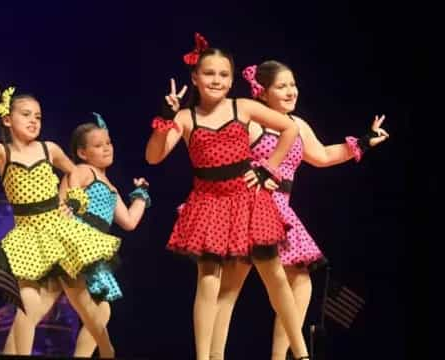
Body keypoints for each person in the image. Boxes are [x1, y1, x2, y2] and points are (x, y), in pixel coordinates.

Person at [209, 60, 389, 359]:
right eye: (281, 86)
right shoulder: (253, 123)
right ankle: (212, 356)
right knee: (230, 287)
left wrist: (365, 142)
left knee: (301, 280)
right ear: (262, 92)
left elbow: (321, 156)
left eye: (293, 84)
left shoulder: (297, 124)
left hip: (282, 210)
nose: (291, 91)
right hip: (253, 207)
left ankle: (281, 357)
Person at [145, 33, 310, 360]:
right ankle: (205, 357)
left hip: (249, 199)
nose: (216, 80)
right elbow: (153, 157)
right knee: (208, 280)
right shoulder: (186, 118)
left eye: (223, 74)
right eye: (209, 73)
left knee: (274, 275)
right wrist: (163, 120)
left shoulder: (243, 107)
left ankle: (302, 353)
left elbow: (290, 130)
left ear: (232, 79)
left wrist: (269, 168)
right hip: (209, 203)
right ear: (195, 77)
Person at [0, 73, 120, 358]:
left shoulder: (48, 148)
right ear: (7, 120)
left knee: (83, 302)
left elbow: (74, 170)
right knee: (27, 303)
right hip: (27, 235)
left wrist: (75, 199)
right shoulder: (3, 154)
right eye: (26, 115)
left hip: (57, 230)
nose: (33, 121)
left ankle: (107, 349)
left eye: (38, 116)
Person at [61, 112, 150, 357]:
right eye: (98, 145)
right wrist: (66, 211)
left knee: (100, 311)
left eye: (108, 143)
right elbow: (66, 196)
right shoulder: (83, 170)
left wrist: (141, 194)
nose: (106, 148)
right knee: (96, 310)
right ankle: (107, 351)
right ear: (82, 152)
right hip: (79, 242)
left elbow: (129, 221)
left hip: (97, 248)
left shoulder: (110, 187)